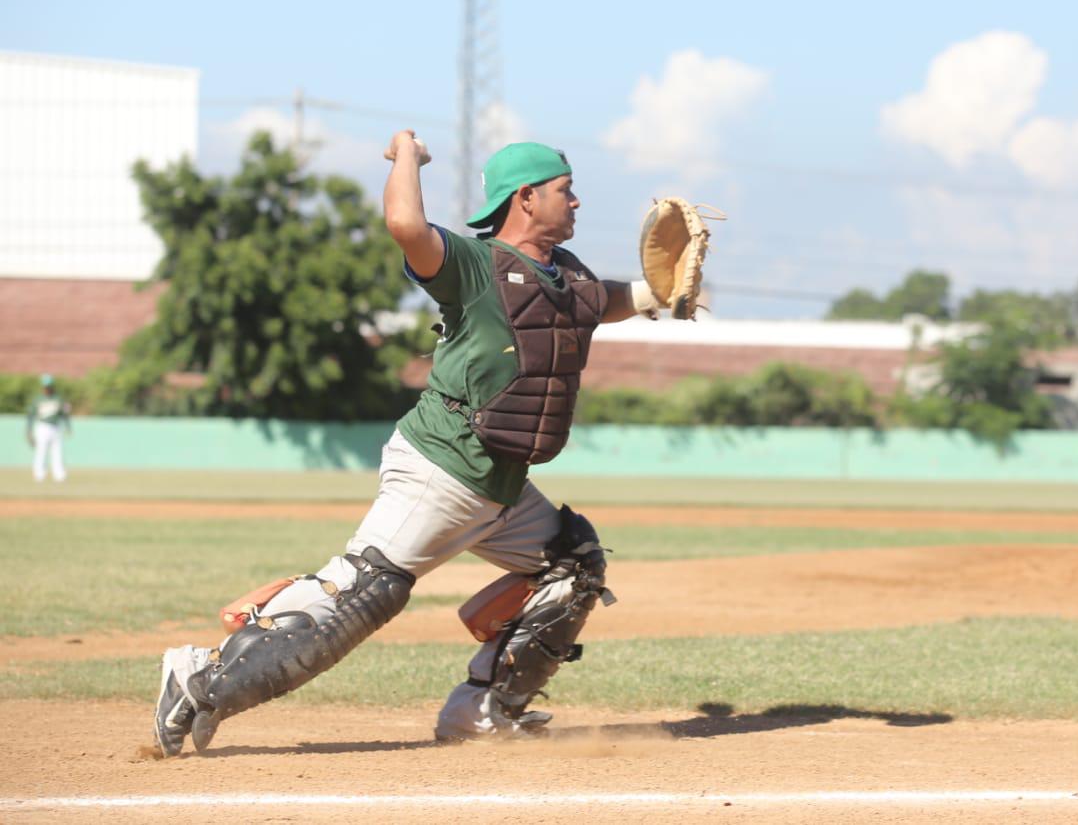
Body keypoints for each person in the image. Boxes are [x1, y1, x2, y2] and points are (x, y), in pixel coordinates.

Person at [153, 132, 673, 757]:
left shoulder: (566, 275)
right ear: (527, 198)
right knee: (363, 593)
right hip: (443, 467)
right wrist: (407, 154)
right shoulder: (474, 266)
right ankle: (199, 677)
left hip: (499, 484)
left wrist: (655, 293)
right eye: (566, 190)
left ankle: (481, 711)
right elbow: (404, 223)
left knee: (572, 567)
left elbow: (599, 303)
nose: (578, 201)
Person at [26, 374, 71, 484]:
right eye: (45, 386)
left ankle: (59, 475)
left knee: (57, 451)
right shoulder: (38, 399)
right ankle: (39, 474)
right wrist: (29, 431)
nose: (47, 388)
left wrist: (68, 426)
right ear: (42, 387)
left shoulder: (58, 399)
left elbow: (64, 414)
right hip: (42, 427)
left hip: (56, 427)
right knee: (41, 450)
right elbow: (31, 415)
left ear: (52, 386)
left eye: (49, 386)